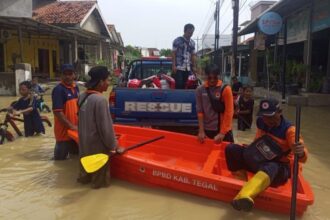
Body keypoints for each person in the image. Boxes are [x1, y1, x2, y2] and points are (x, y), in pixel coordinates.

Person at [225, 98, 308, 212]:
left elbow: (303, 157)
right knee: (231, 148)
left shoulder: (290, 130)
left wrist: (301, 151)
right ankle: (243, 182)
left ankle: (244, 195)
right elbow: (257, 141)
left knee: (271, 166)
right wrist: (247, 151)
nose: (267, 120)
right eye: (264, 116)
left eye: (270, 116)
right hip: (259, 159)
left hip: (278, 170)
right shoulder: (261, 122)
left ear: (280, 112)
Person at [77, 66, 123, 189]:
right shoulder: (100, 100)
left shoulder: (82, 97)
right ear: (100, 82)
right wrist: (115, 146)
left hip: (84, 148)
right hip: (97, 152)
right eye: (108, 80)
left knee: (84, 181)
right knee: (100, 186)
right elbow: (106, 129)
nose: (109, 83)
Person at [196, 64, 234, 144]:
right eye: (209, 78)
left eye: (215, 77)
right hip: (207, 130)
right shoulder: (200, 90)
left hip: (222, 130)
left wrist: (222, 133)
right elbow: (200, 112)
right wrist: (201, 131)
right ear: (206, 76)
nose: (212, 80)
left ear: (219, 76)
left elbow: (229, 112)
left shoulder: (226, 89)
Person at [52, 64, 79, 160]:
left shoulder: (76, 88)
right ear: (61, 75)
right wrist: (71, 126)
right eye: (65, 74)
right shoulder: (58, 90)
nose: (68, 77)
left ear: (74, 75)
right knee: (59, 161)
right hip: (64, 133)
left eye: (70, 74)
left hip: (75, 131)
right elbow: (58, 112)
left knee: (75, 157)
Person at [172, 23, 197, 89]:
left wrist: (194, 66)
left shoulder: (192, 43)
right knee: (179, 84)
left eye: (192, 33)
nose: (190, 34)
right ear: (185, 31)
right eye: (189, 32)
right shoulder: (177, 40)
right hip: (179, 67)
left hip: (188, 68)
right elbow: (173, 53)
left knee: (190, 84)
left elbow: (193, 55)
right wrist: (173, 65)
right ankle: (178, 98)